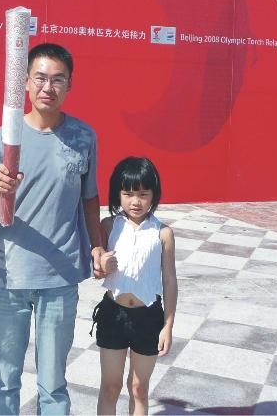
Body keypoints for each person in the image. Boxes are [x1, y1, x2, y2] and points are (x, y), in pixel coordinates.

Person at [0, 42, 106, 415]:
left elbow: (90, 199)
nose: (47, 87)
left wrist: (97, 247)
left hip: (60, 277)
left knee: (53, 384)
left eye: (57, 79)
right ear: (25, 82)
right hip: (10, 276)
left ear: (69, 85)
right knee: (4, 380)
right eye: (40, 78)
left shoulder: (83, 137)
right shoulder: (3, 138)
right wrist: (0, 191)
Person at [93, 157, 178, 416]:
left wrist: (168, 325)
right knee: (110, 387)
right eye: (128, 194)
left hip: (148, 317)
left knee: (139, 388)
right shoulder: (108, 226)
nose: (135, 201)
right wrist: (101, 266)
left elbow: (170, 281)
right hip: (113, 314)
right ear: (118, 194)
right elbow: (95, 269)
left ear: (154, 194)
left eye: (143, 194)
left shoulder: (163, 233)